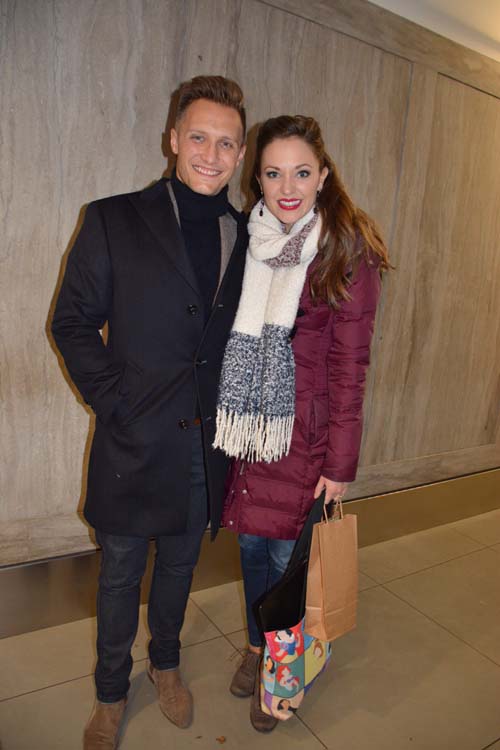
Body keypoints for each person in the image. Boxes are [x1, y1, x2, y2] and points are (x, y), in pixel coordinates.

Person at [51, 75, 247, 749]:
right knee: (121, 574)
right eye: (199, 136)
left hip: (204, 447)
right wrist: (115, 400)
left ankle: (165, 664)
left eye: (227, 143)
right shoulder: (113, 219)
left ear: (241, 153)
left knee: (180, 568)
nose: (211, 155)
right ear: (172, 140)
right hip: (134, 443)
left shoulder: (249, 237)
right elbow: (72, 321)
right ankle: (110, 693)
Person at [214, 115, 388, 732]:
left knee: (289, 563)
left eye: (301, 171)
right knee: (253, 550)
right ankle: (261, 646)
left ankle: (282, 676)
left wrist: (341, 464)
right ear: (257, 179)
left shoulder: (346, 250)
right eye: (272, 172)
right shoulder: (248, 241)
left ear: (323, 175)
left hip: (306, 441)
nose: (287, 186)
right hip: (251, 433)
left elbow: (350, 368)